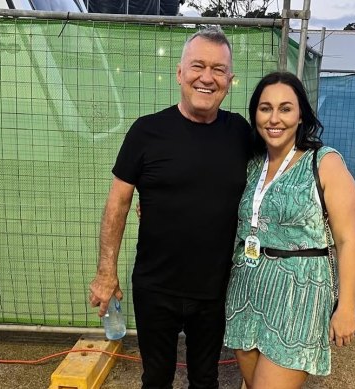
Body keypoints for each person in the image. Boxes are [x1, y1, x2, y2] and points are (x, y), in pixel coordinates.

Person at [88, 26, 253, 389]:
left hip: (214, 289)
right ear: (180, 73)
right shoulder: (146, 132)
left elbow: (275, 174)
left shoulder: (241, 133)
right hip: (155, 287)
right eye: (197, 66)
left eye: (218, 69)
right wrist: (105, 273)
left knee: (205, 379)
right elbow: (118, 202)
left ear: (230, 79)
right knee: (157, 378)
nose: (206, 78)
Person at [224, 71, 355, 388]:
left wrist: (346, 308)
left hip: (299, 294)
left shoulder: (324, 163)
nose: (275, 118)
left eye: (285, 108)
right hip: (247, 288)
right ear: (255, 114)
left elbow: (347, 241)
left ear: (301, 116)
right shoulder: (252, 162)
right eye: (265, 108)